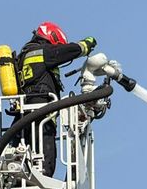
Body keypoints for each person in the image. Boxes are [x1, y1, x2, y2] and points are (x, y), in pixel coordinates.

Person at [15, 22, 97, 176]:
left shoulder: (23, 56)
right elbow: (66, 51)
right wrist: (85, 45)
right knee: (45, 156)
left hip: (23, 115)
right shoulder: (41, 52)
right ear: (51, 37)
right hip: (42, 110)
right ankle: (41, 182)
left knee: (21, 154)